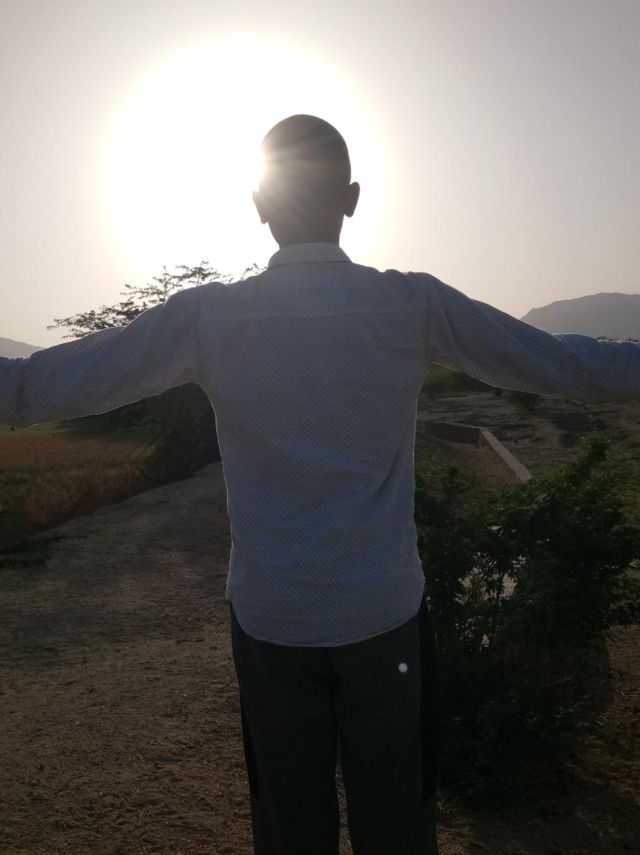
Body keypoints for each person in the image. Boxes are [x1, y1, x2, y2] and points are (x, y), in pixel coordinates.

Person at [1, 114, 640, 855]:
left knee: (289, 824)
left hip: (272, 619)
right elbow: (569, 363)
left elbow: (43, 384)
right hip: (384, 614)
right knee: (397, 819)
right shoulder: (411, 306)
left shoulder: (210, 318)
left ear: (259, 204)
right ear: (353, 198)